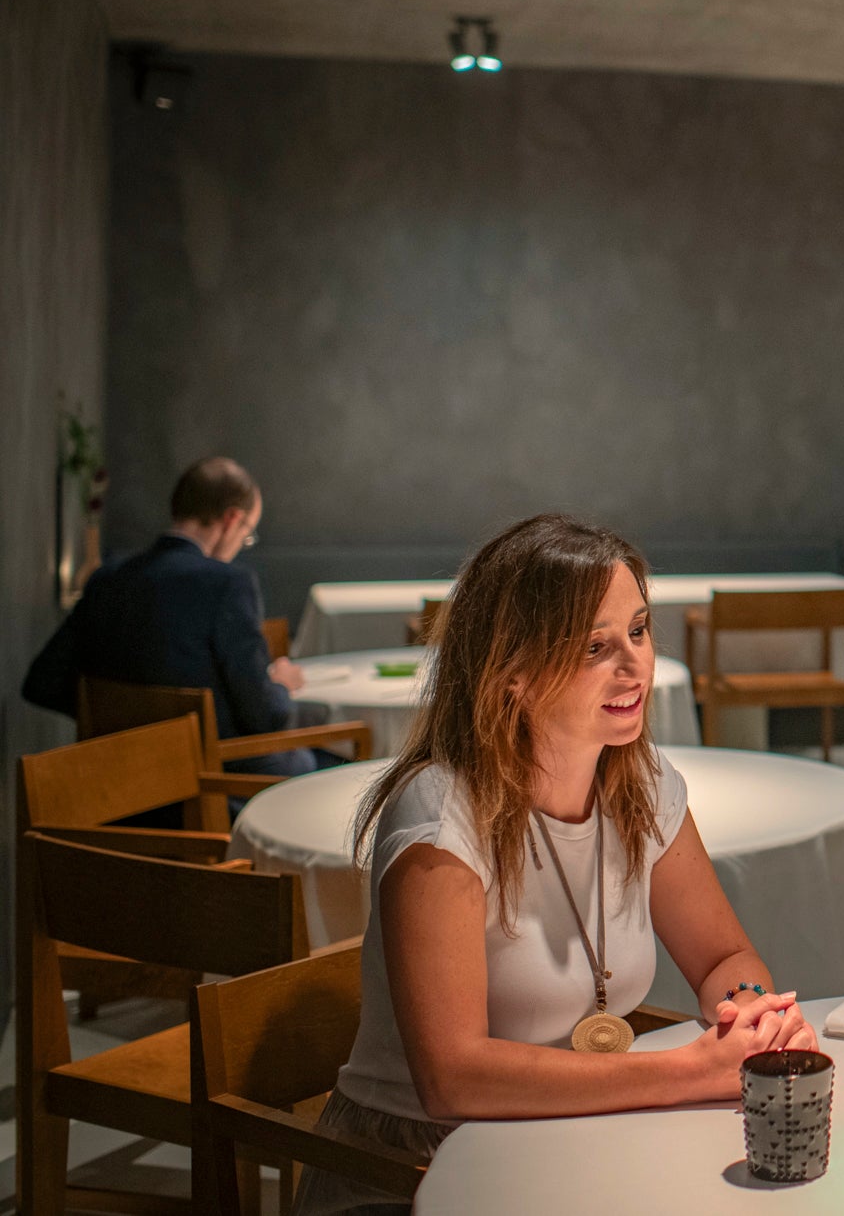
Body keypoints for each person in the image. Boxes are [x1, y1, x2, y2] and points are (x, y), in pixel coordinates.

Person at [293, 513, 814, 1216]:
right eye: (596, 646)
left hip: (566, 1137)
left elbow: (724, 954)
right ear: (514, 674)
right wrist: (686, 1072)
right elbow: (453, 1077)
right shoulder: (441, 814)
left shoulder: (645, 785)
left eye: (638, 630)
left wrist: (747, 1010)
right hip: (411, 1165)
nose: (634, 664)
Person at [21, 455, 316, 777]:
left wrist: (125, 728)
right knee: (322, 769)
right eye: (247, 534)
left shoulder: (107, 577)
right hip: (208, 787)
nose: (241, 545)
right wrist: (281, 686)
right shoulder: (227, 584)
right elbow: (265, 716)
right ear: (231, 519)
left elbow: (42, 684)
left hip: (116, 786)